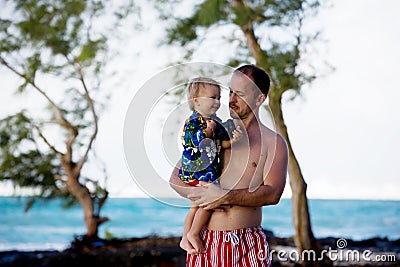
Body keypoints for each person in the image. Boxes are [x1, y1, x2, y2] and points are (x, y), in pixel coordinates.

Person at [170, 65, 288, 266]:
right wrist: (205, 197)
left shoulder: (273, 142)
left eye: (240, 94)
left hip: (246, 245)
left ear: (259, 99)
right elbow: (175, 179)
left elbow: (273, 194)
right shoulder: (213, 132)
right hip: (205, 244)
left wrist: (225, 196)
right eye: (231, 91)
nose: (231, 100)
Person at [178, 77, 242, 255]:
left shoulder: (215, 120)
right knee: (210, 202)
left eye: (219, 98)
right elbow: (194, 142)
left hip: (205, 171)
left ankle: (185, 238)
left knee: (194, 207)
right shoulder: (193, 122)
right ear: (196, 101)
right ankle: (194, 233)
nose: (217, 102)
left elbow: (220, 143)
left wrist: (232, 141)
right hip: (199, 172)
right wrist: (207, 131)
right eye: (212, 98)